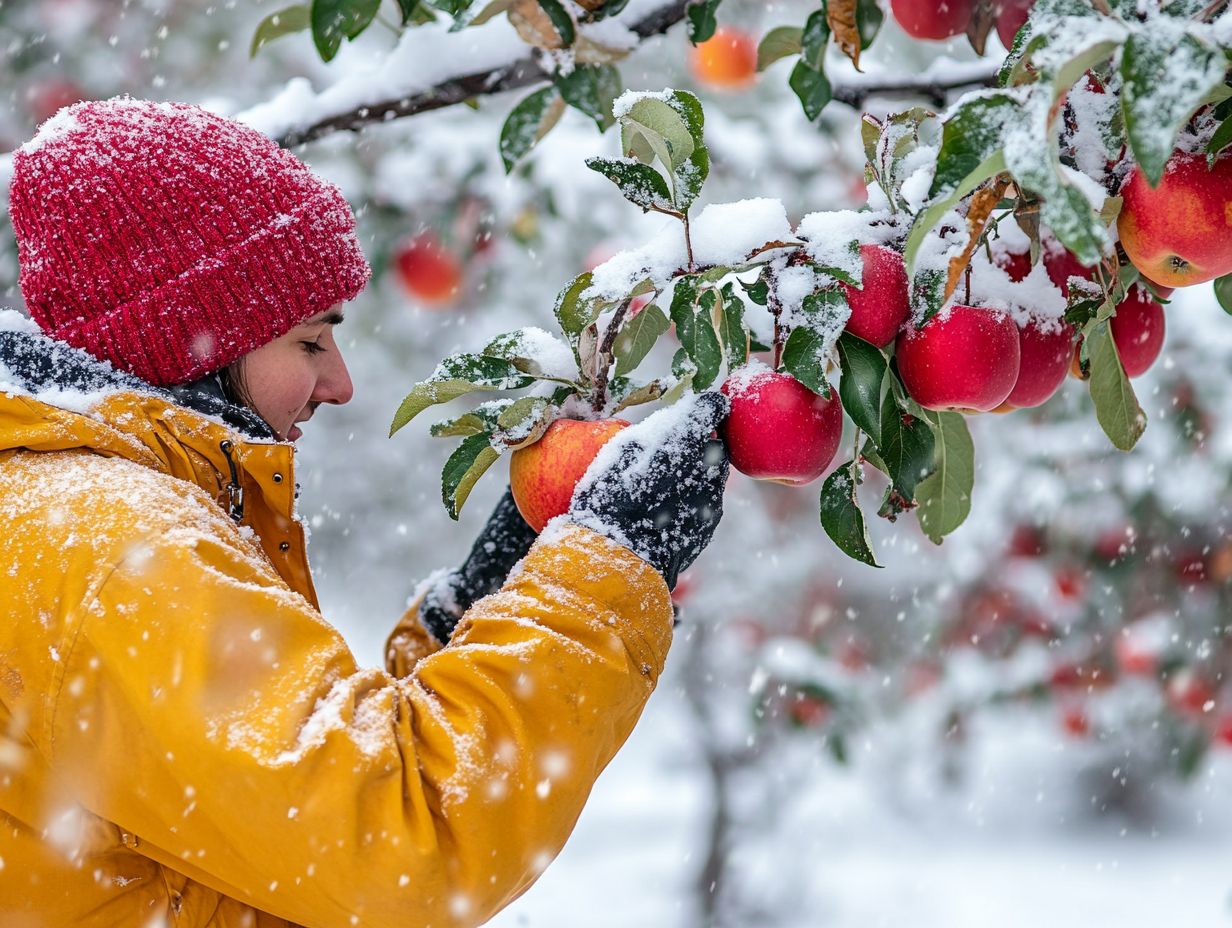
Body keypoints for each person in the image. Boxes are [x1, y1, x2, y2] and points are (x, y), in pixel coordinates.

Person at [0, 98, 729, 927]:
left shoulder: (63, 517)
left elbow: (292, 800)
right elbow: (403, 841)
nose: (339, 382)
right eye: (309, 342)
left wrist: (474, 610)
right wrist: (601, 575)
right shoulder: (112, 547)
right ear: (186, 341)